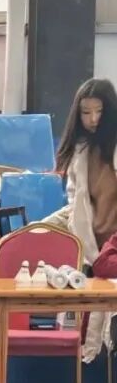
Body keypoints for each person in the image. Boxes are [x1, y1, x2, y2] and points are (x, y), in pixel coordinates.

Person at [55, 78, 117, 268]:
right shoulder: (79, 151)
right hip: (92, 246)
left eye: (99, 111)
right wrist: (35, 229)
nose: (93, 119)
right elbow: (75, 206)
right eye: (86, 112)